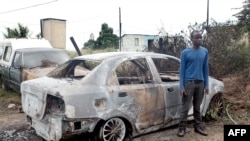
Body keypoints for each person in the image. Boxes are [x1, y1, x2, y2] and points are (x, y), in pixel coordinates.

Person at [177, 30, 209, 137]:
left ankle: (198, 127)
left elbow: (205, 69)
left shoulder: (204, 51)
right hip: (189, 84)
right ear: (192, 39)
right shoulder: (185, 53)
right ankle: (182, 128)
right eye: (197, 38)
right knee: (185, 108)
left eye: (200, 37)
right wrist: (181, 87)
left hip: (200, 84)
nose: (199, 39)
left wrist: (206, 85)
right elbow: (181, 72)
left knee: (197, 107)